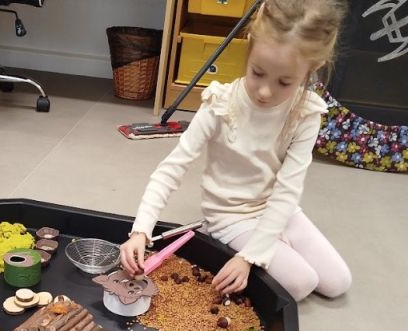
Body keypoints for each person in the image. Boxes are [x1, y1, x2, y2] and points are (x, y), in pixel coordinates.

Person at [120, 0, 352, 302]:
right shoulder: (221, 105)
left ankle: (267, 247)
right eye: (257, 72)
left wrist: (250, 255)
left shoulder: (306, 112)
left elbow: (287, 190)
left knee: (338, 283)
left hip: (277, 209)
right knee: (301, 283)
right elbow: (171, 169)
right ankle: (236, 245)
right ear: (249, 45)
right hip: (230, 216)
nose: (265, 91)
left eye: (284, 82)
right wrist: (141, 230)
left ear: (313, 69)